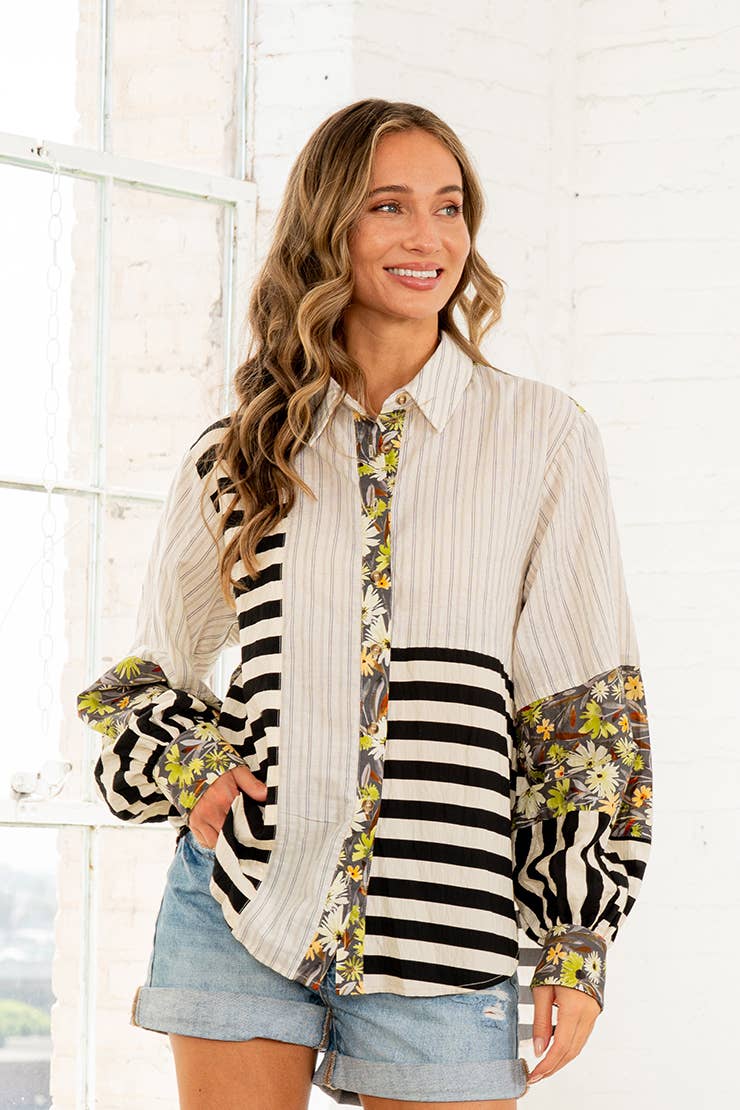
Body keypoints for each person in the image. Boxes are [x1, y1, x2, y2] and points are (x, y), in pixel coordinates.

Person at [76, 98, 653, 1110]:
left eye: (448, 206)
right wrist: (195, 763)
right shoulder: (240, 452)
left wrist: (574, 937)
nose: (428, 237)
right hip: (242, 909)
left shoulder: (542, 438)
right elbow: (153, 670)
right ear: (327, 226)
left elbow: (580, 714)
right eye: (389, 206)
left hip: (448, 928)